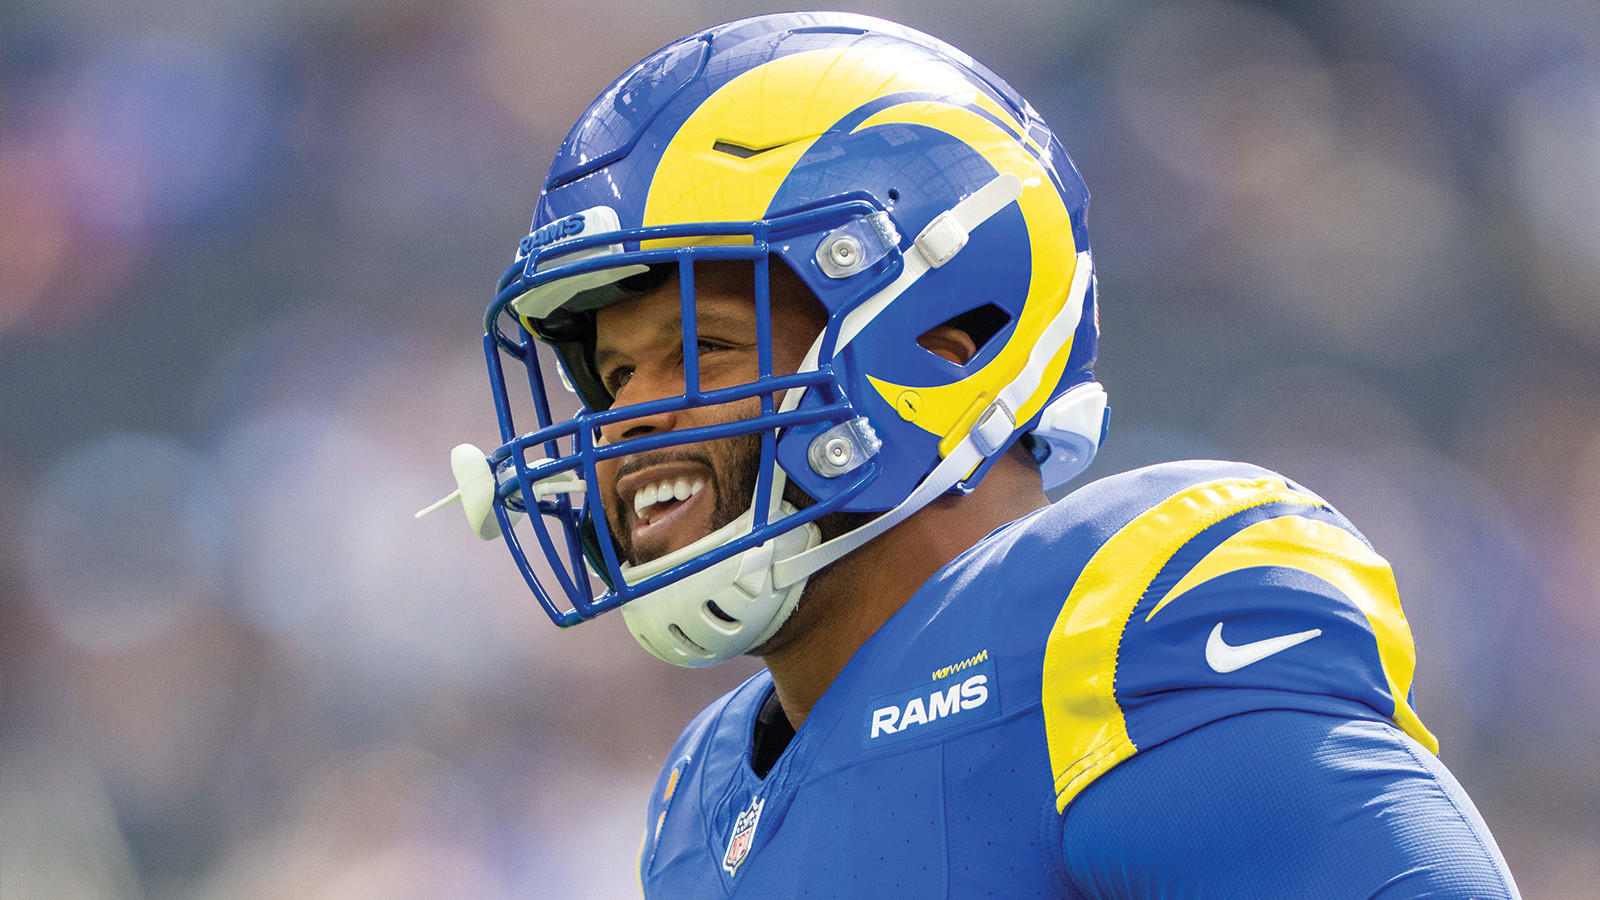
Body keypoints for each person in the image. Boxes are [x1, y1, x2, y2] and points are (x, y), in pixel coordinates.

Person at [423, 12, 1521, 897]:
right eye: (615, 375)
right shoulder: (699, 802)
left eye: (701, 349)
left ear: (940, 342)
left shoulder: (1113, 626)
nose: (626, 418)